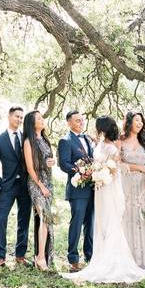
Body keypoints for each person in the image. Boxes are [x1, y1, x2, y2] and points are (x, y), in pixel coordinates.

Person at [62, 117, 145, 284]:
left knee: (111, 222)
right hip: (99, 190)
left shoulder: (115, 146)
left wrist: (101, 175)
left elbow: (116, 170)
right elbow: (96, 162)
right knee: (100, 223)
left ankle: (113, 260)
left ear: (103, 128)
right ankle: (100, 257)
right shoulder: (99, 144)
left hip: (108, 188)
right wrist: (91, 173)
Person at [0, 106, 31, 267]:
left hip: (25, 185)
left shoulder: (27, 138)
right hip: (7, 185)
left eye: (21, 117)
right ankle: (1, 255)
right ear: (9, 116)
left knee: (24, 219)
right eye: (17, 117)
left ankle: (20, 254)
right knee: (1, 219)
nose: (19, 120)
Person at [119, 110, 145, 270]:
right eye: (137, 120)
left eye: (141, 121)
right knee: (129, 217)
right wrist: (140, 167)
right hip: (127, 183)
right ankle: (130, 257)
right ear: (129, 122)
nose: (140, 124)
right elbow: (120, 164)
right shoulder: (121, 141)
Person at [57, 109, 94, 272]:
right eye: (77, 120)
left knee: (90, 224)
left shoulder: (87, 138)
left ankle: (90, 255)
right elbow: (63, 164)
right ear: (69, 123)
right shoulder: (65, 140)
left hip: (92, 188)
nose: (81, 123)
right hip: (77, 189)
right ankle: (73, 259)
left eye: (82, 120)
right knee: (77, 223)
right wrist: (79, 170)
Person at [22, 109, 55, 271]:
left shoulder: (45, 140)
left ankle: (43, 255)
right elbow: (29, 167)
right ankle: (40, 257)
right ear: (32, 123)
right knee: (43, 217)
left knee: (47, 219)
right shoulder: (28, 141)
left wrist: (52, 162)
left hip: (49, 182)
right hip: (36, 183)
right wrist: (41, 185)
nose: (43, 120)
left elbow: (48, 160)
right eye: (39, 118)